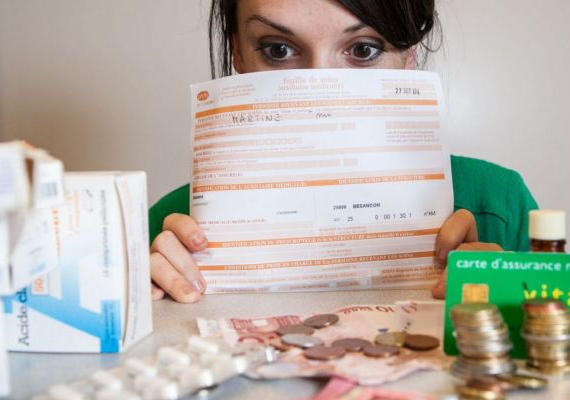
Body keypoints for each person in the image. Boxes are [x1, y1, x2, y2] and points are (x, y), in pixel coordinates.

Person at [149, 0, 538, 303]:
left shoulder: (500, 205)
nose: (320, 85)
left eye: (364, 50)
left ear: (409, 57)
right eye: (279, 49)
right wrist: (147, 300)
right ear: (238, 54)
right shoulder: (167, 228)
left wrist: (513, 302)